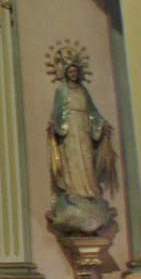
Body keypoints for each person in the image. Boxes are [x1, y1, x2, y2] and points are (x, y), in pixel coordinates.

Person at [47, 63, 118, 234]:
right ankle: (74, 191)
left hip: (84, 127)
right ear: (65, 73)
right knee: (72, 159)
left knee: (86, 158)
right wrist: (53, 123)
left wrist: (102, 124)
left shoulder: (83, 90)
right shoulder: (62, 90)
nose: (73, 74)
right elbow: (57, 111)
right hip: (70, 130)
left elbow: (93, 111)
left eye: (75, 71)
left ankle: (88, 190)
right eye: (70, 71)